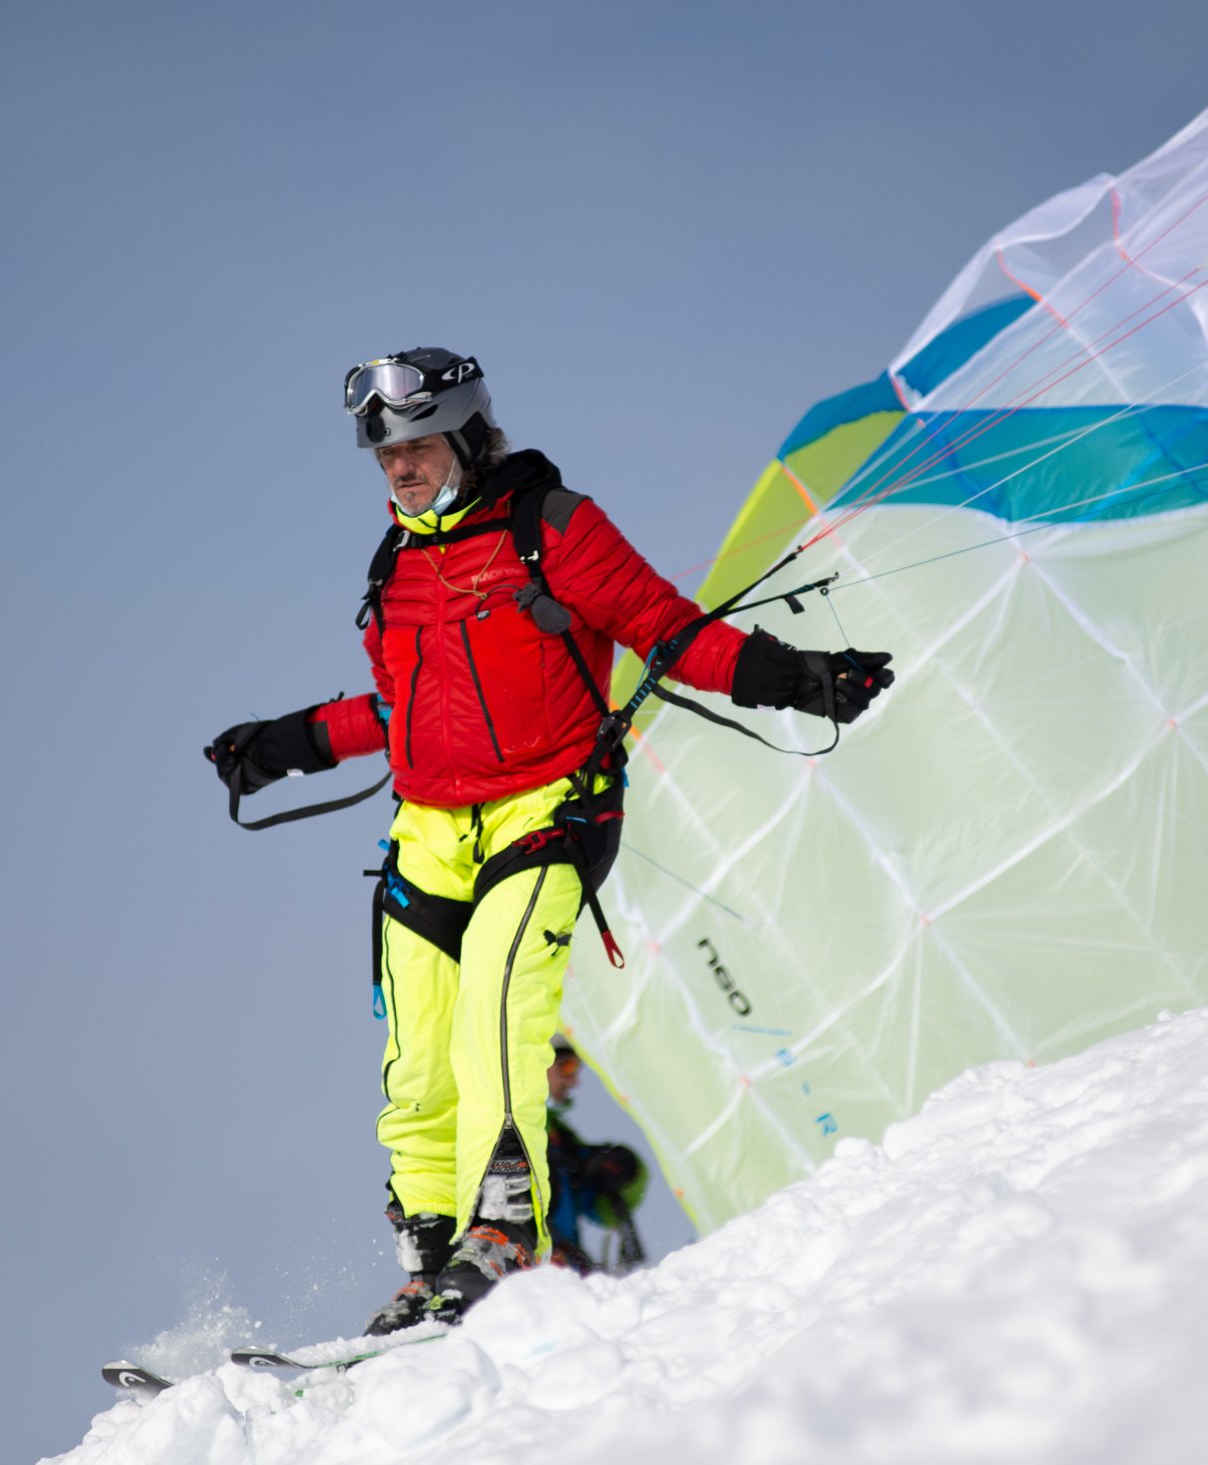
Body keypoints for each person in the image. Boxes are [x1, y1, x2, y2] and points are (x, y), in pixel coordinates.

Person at [205, 348, 893, 1333]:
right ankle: (429, 1253)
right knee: (417, 1056)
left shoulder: (554, 528)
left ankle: (500, 1234)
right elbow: (404, 710)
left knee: (497, 1011)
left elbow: (668, 631)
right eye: (386, 455)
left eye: (418, 446)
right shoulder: (395, 562)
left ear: (467, 437)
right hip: (428, 832)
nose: (400, 467)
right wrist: (284, 745)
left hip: (546, 810)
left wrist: (803, 679)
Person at [542, 1035, 650, 1274]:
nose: (574, 1081)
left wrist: (629, 1173)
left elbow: (600, 1212)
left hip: (558, 1273)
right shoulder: (497, 1127)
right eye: (567, 1066)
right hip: (519, 1271)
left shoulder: (559, 1138)